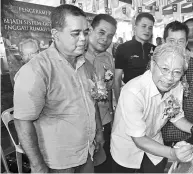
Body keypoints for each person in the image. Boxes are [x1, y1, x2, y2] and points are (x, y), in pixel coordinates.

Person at [13, 4, 104, 173]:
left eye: (86, 32)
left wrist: (99, 130)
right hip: (57, 164)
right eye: (76, 33)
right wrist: (38, 166)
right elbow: (22, 122)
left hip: (86, 153)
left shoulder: (85, 65)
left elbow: (92, 102)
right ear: (55, 35)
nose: (83, 38)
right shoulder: (36, 71)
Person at [110, 43, 193, 173]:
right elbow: (139, 139)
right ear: (152, 65)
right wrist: (173, 153)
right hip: (128, 148)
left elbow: (175, 116)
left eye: (177, 72)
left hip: (155, 141)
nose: (169, 78)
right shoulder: (133, 92)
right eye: (165, 69)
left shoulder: (176, 86)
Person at [161, 21, 193, 146]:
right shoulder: (155, 66)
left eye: (180, 41)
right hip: (158, 134)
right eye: (171, 41)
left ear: (186, 43)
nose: (176, 46)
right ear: (164, 42)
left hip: (188, 133)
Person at [84, 13, 117, 173]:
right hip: (86, 124)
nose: (105, 39)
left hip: (106, 121)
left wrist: (112, 118)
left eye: (110, 35)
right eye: (101, 32)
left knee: (106, 165)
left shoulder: (108, 58)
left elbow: (109, 90)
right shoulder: (77, 58)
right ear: (90, 30)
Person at [114, 13, 156, 101]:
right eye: (143, 26)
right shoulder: (123, 48)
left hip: (151, 97)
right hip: (130, 96)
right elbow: (117, 78)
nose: (147, 30)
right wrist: (118, 101)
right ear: (135, 27)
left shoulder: (155, 49)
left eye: (150, 28)